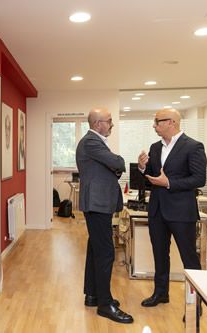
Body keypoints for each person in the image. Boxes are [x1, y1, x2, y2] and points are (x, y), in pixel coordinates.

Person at [138, 108, 206, 307]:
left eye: (157, 122)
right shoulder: (155, 147)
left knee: (190, 260)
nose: (154, 125)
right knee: (160, 255)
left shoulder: (193, 146)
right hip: (158, 210)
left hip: (182, 212)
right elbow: (152, 176)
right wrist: (142, 168)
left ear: (171, 122)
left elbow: (199, 179)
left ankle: (195, 304)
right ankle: (161, 294)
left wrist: (169, 183)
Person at [76, 108, 133, 324]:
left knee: (95, 248)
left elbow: (113, 168)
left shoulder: (95, 142)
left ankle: (93, 295)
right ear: (98, 123)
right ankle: (105, 304)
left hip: (99, 203)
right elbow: (118, 163)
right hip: (97, 203)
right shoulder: (91, 141)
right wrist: (116, 163)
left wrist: (114, 166)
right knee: (106, 252)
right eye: (109, 121)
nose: (111, 124)